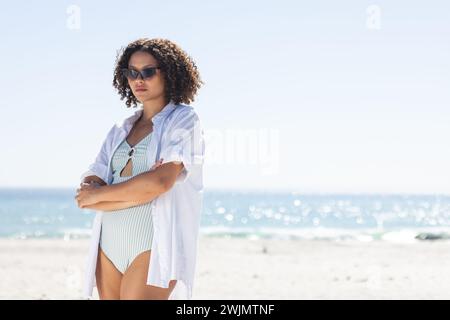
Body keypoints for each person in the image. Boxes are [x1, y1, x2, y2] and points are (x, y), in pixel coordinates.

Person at [75, 37, 205, 300]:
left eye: (148, 72)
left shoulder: (183, 120)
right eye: (132, 73)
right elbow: (87, 195)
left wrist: (105, 194)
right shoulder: (119, 129)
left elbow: (159, 184)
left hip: (153, 245)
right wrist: (138, 193)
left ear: (169, 73)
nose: (138, 80)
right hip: (108, 245)